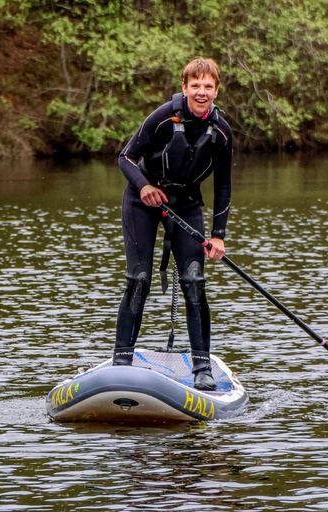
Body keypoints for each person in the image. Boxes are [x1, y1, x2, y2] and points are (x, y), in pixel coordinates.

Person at [113, 57, 233, 391]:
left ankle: (202, 368)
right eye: (195, 85)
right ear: (184, 87)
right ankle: (122, 359)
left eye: (208, 86)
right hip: (143, 201)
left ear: (216, 91)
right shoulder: (164, 117)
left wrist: (218, 236)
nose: (201, 92)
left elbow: (223, 185)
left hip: (187, 204)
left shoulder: (222, 132)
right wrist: (145, 186)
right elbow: (125, 157)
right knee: (140, 278)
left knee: (194, 280)